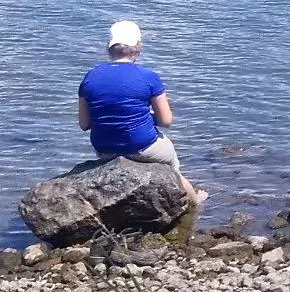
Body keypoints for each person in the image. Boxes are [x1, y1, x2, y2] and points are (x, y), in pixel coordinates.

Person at [77, 20, 206, 205]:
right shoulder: (148, 76)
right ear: (138, 47)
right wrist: (146, 118)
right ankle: (194, 201)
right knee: (172, 165)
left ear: (109, 48)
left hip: (103, 147)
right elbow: (167, 120)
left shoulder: (90, 77)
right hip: (141, 145)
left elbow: (84, 124)